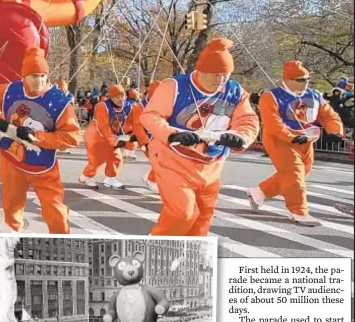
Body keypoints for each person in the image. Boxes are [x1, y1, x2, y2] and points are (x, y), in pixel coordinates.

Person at [141, 38, 259, 236]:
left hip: (211, 164)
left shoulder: (235, 91)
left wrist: (241, 137)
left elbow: (247, 120)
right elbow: (150, 115)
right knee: (183, 213)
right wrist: (173, 134)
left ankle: (191, 256)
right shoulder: (175, 86)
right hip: (173, 160)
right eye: (215, 74)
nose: (220, 81)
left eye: (225, 75)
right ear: (201, 70)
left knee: (204, 216)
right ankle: (158, 245)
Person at [0, 47, 81, 233]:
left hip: (43, 166)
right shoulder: (10, 90)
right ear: (24, 76)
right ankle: (14, 231)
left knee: (55, 208)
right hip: (12, 159)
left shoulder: (60, 101)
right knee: (11, 203)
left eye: (42, 75)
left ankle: (61, 240)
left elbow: (72, 138)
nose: (39, 80)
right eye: (34, 76)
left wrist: (36, 137)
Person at [247, 60, 344, 227]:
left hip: (307, 140)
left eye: (307, 79)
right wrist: (290, 136)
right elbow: (272, 122)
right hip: (280, 140)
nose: (305, 82)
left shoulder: (314, 95)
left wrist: (335, 131)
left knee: (301, 172)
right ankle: (298, 211)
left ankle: (260, 191)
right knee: (294, 173)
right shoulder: (271, 96)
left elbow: (328, 115)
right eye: (301, 79)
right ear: (288, 80)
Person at [79, 84, 134, 190]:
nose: (120, 99)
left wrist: (131, 137)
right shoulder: (102, 106)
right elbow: (103, 126)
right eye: (116, 97)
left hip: (112, 135)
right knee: (97, 160)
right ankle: (85, 177)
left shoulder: (128, 107)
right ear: (111, 97)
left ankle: (110, 178)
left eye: (122, 96)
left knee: (116, 158)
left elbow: (130, 123)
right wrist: (114, 140)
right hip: (95, 136)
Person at [130, 81, 161, 192]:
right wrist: (145, 142)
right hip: (147, 139)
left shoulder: (163, 104)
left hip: (160, 138)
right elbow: (138, 127)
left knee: (163, 160)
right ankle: (151, 179)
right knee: (159, 160)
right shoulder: (139, 107)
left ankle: (150, 175)